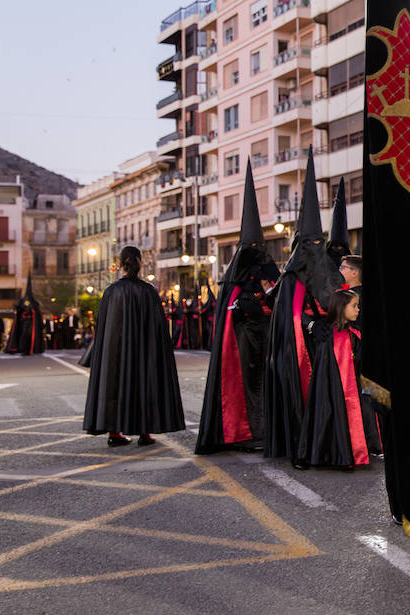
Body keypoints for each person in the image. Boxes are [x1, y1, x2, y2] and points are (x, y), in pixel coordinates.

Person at [196, 163, 280, 454]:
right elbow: (233, 309)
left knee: (265, 382)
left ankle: (265, 430)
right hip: (244, 337)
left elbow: (276, 293)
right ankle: (246, 432)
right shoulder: (234, 279)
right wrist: (251, 305)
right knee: (246, 385)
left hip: (265, 335)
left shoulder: (266, 270)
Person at [264, 151, 340, 462]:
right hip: (297, 352)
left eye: (318, 245)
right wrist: (309, 324)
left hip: (326, 348)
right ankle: (298, 445)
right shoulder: (291, 279)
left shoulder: (329, 273)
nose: (315, 251)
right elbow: (290, 316)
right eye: (310, 246)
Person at [82, 247, 185, 447]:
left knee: (114, 386)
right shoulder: (148, 291)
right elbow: (158, 326)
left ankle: (114, 432)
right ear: (139, 263)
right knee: (144, 385)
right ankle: (144, 433)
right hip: (143, 351)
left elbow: (102, 325)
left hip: (115, 351)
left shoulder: (111, 292)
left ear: (121, 264)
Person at [294, 288, 380, 469]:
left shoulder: (354, 334)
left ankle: (351, 452)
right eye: (354, 306)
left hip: (353, 388)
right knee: (330, 416)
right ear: (341, 308)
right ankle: (337, 454)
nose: (358, 310)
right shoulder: (329, 336)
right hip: (330, 390)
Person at [4, 278, 45, 356]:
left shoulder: (34, 303)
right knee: (23, 337)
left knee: (28, 337)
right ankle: (23, 349)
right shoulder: (22, 302)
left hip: (30, 325)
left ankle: (29, 350)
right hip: (23, 324)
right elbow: (19, 311)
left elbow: (36, 315)